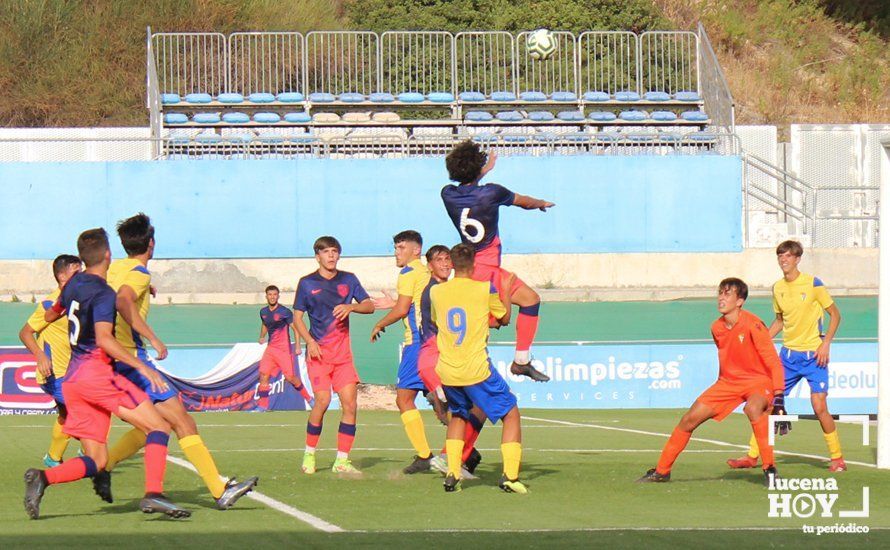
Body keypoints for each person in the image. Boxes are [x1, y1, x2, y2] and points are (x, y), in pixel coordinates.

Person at [24, 228, 188, 519]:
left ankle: (42, 478)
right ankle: (153, 494)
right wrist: (140, 366)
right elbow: (104, 339)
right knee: (159, 427)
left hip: (73, 381)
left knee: (98, 459)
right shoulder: (103, 293)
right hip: (97, 377)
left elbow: (52, 314)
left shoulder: (73, 286)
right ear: (109, 255)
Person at [100, 213, 257, 509]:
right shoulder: (138, 273)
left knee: (158, 425)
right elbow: (122, 300)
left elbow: (110, 291)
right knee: (183, 421)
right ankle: (218, 489)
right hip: (133, 358)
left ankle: (104, 465)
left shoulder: (116, 268)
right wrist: (153, 336)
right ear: (151, 243)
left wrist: (146, 289)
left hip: (112, 359)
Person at [638, 278, 785, 486]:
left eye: (727, 294)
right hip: (727, 383)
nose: (721, 298)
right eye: (720, 293)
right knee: (689, 420)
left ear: (740, 301)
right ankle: (662, 471)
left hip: (758, 381)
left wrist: (779, 396)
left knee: (753, 409)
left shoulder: (754, 324)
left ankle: (769, 469)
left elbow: (772, 361)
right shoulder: (716, 327)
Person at [727, 240, 845, 472]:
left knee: (819, 406)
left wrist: (826, 344)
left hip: (814, 357)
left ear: (797, 259)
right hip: (787, 358)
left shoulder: (813, 284)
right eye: (780, 256)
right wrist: (761, 341)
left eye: (788, 256)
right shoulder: (778, 288)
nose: (784, 259)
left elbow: (835, 315)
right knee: (768, 403)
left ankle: (838, 458)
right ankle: (752, 456)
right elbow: (780, 321)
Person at [441, 140, 554, 383]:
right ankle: (461, 374)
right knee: (496, 319)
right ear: (477, 167)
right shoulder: (492, 192)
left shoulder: (447, 194)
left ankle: (521, 362)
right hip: (486, 268)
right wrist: (541, 204)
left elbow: (467, 184)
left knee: (527, 301)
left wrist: (482, 170)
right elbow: (524, 201)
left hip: (471, 266)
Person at [431, 243, 527, 494]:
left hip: (448, 369)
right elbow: (504, 318)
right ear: (474, 265)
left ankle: (452, 474)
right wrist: (505, 289)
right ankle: (510, 477)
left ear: (451, 264)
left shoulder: (437, 292)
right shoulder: (485, 288)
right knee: (511, 412)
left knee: (459, 416)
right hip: (476, 368)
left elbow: (436, 320)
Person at [294, 236, 374, 475]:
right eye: (326, 252)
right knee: (323, 401)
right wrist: (309, 341)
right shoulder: (307, 283)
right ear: (317, 256)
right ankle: (309, 453)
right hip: (319, 355)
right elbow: (297, 318)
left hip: (343, 357)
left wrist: (352, 307)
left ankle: (342, 459)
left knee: (350, 405)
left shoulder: (348, 280)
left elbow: (369, 305)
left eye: (335, 251)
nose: (331, 256)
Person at [370, 231, 437, 474]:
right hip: (434, 340)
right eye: (396, 247)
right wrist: (397, 303)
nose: (396, 252)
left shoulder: (408, 272)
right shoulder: (426, 272)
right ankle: (461, 452)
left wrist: (380, 323)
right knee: (441, 401)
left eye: (400, 247)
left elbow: (402, 310)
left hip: (417, 343)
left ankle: (426, 455)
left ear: (415, 250)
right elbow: (414, 303)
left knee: (404, 398)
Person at [18, 254, 82, 467]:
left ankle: (53, 458)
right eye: (76, 272)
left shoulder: (79, 300)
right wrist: (40, 356)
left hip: (74, 372)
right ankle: (93, 453)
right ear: (62, 276)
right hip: (54, 373)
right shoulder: (49, 304)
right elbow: (25, 333)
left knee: (66, 415)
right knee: (81, 413)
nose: (81, 276)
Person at [257, 284, 313, 410]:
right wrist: (262, 336)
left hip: (283, 350)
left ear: (278, 296)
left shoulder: (284, 312)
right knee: (263, 375)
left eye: (275, 295)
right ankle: (262, 407)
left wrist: (298, 346)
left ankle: (309, 399)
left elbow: (296, 328)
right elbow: (265, 324)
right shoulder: (263, 312)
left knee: (291, 378)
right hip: (271, 349)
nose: (272, 297)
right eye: (270, 295)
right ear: (266, 296)